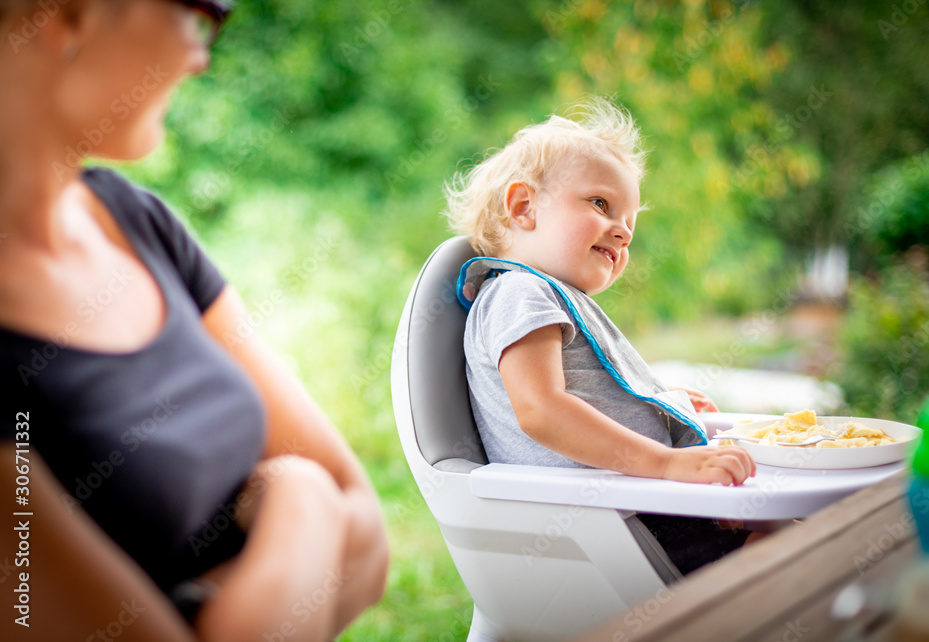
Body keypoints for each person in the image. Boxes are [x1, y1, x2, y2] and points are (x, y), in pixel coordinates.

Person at [0, 1, 388, 640]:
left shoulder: (136, 223)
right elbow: (332, 501)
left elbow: (368, 540)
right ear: (64, 15)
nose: (200, 54)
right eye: (201, 11)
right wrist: (301, 497)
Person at [446, 98, 761, 575]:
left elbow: (588, 395)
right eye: (601, 204)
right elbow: (541, 411)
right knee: (798, 548)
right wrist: (667, 463)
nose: (624, 233)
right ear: (524, 206)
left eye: (630, 224)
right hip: (610, 528)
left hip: (634, 511)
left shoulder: (548, 295)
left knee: (800, 533)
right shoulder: (519, 292)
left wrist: (662, 405)